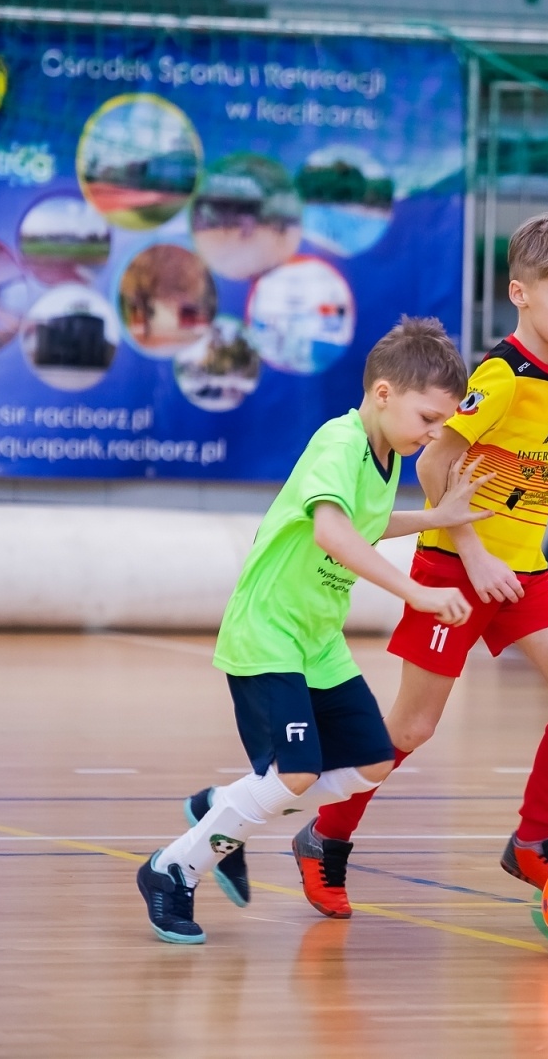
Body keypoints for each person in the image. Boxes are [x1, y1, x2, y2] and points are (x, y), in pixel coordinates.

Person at [289, 212, 548, 918]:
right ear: (520, 294)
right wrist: (472, 553)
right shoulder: (498, 375)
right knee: (411, 729)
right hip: (457, 569)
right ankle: (325, 837)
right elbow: (434, 462)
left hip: (522, 570)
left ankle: (532, 842)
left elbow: (537, 435)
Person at [139, 316, 492, 944]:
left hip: (318, 641)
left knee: (372, 762)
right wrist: (415, 592)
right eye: (428, 419)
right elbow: (332, 531)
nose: (435, 434)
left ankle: (226, 809)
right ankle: (172, 869)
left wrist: (438, 515)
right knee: (296, 773)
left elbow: (367, 523)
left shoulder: (386, 457)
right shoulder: (340, 442)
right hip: (270, 631)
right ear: (383, 393)